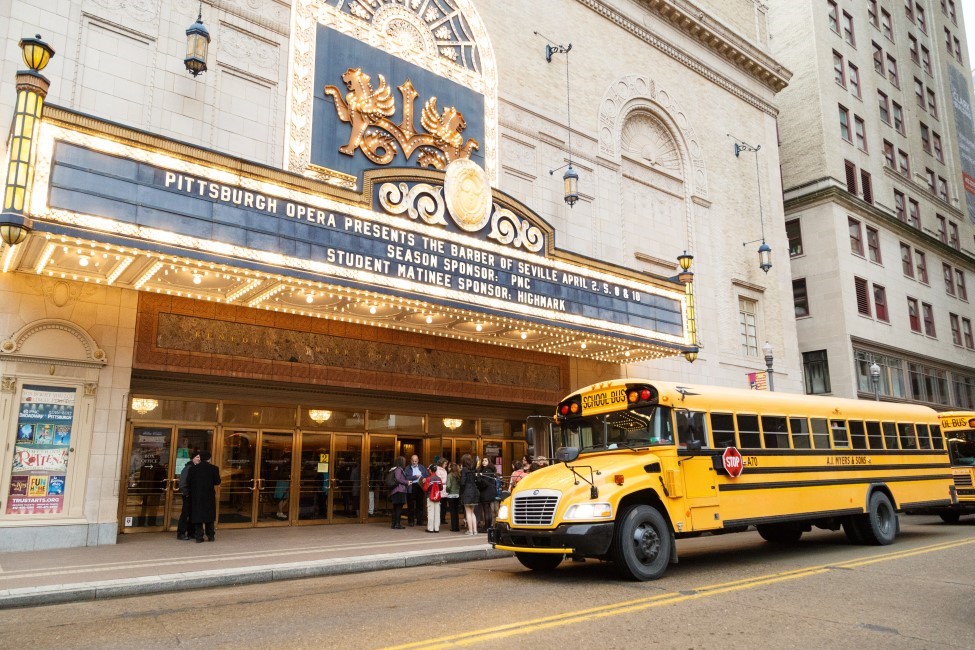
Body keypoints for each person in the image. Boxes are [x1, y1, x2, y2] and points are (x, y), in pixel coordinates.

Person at [187, 450, 221, 543]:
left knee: (198, 515)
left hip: (196, 495)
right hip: (209, 495)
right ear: (209, 459)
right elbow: (217, 482)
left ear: (201, 458)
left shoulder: (192, 469)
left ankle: (199, 537)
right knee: (209, 515)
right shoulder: (214, 468)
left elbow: (188, 482)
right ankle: (210, 536)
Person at [176, 449, 200, 540]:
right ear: (193, 458)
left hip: (194, 495)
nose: (199, 459)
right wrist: (186, 493)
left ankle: (191, 532)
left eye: (200, 457)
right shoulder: (188, 468)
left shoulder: (196, 467)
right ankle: (181, 533)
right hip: (188, 495)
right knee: (185, 514)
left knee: (193, 514)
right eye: (197, 457)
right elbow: (182, 483)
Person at [404, 454, 429, 527]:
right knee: (411, 505)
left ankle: (419, 521)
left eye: (415, 461)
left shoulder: (421, 467)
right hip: (412, 486)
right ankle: (411, 521)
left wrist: (425, 479)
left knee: (420, 505)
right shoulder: (407, 468)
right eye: (413, 461)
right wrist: (415, 477)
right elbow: (406, 477)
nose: (414, 462)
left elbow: (426, 476)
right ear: (411, 460)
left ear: (418, 461)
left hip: (420, 486)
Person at [459, 454, 479, 536]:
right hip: (474, 491)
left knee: (468, 512)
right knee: (472, 512)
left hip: (467, 492)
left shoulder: (464, 469)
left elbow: (463, 482)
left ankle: (470, 531)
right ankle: (475, 531)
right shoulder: (474, 470)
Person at [476, 456, 497, 532]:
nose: (483, 462)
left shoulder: (487, 470)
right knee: (488, 510)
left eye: (485, 461)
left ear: (489, 462)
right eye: (483, 461)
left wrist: (478, 484)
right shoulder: (491, 470)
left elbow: (485, 482)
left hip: (486, 492)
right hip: (490, 492)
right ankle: (489, 525)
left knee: (486, 510)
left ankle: (487, 527)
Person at [422, 464, 444, 533]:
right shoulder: (439, 478)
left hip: (430, 497)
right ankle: (436, 528)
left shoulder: (428, 479)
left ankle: (430, 528)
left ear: (430, 471)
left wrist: (423, 483)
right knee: (437, 513)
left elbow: (425, 489)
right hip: (437, 497)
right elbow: (441, 488)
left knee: (431, 512)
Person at [389, 456, 409, 529]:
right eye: (404, 461)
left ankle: (394, 524)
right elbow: (398, 479)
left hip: (396, 491)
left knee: (395, 508)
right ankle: (397, 524)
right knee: (398, 508)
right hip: (399, 491)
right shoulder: (399, 469)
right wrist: (406, 482)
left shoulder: (395, 469)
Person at [444, 462, 462, 532]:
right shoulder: (459, 475)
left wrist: (447, 491)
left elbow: (448, 486)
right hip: (457, 495)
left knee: (452, 512)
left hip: (451, 495)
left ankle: (453, 527)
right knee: (456, 512)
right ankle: (457, 527)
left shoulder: (450, 475)